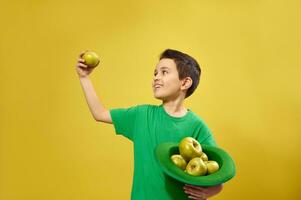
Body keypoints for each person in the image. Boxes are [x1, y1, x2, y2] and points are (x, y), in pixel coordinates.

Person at [76, 49, 223, 200]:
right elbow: (99, 113)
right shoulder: (141, 115)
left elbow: (219, 174)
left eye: (164, 72)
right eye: (155, 73)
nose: (156, 78)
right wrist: (84, 78)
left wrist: (210, 192)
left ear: (185, 82)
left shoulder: (197, 126)